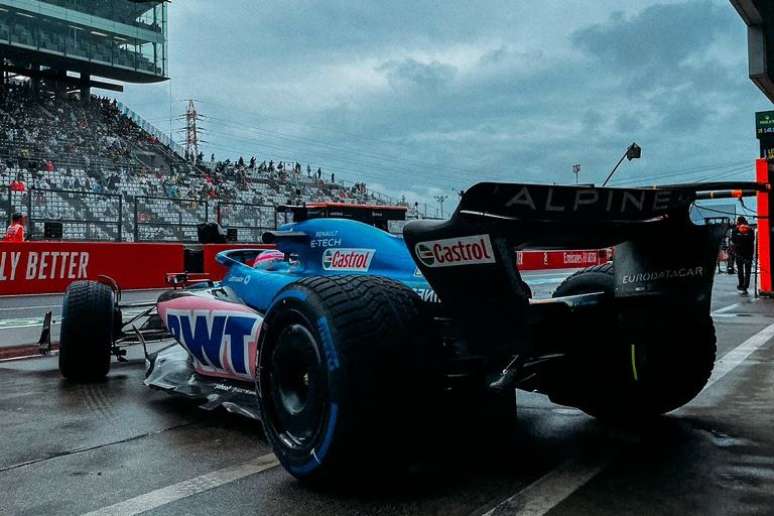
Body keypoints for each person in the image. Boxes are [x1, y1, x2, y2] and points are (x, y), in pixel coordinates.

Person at [731, 216, 755, 295]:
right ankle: (746, 286)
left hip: (739, 253)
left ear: (738, 221)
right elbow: (752, 239)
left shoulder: (735, 230)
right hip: (749, 253)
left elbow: (733, 240)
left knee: (740, 270)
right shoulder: (750, 229)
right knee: (748, 271)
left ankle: (741, 285)